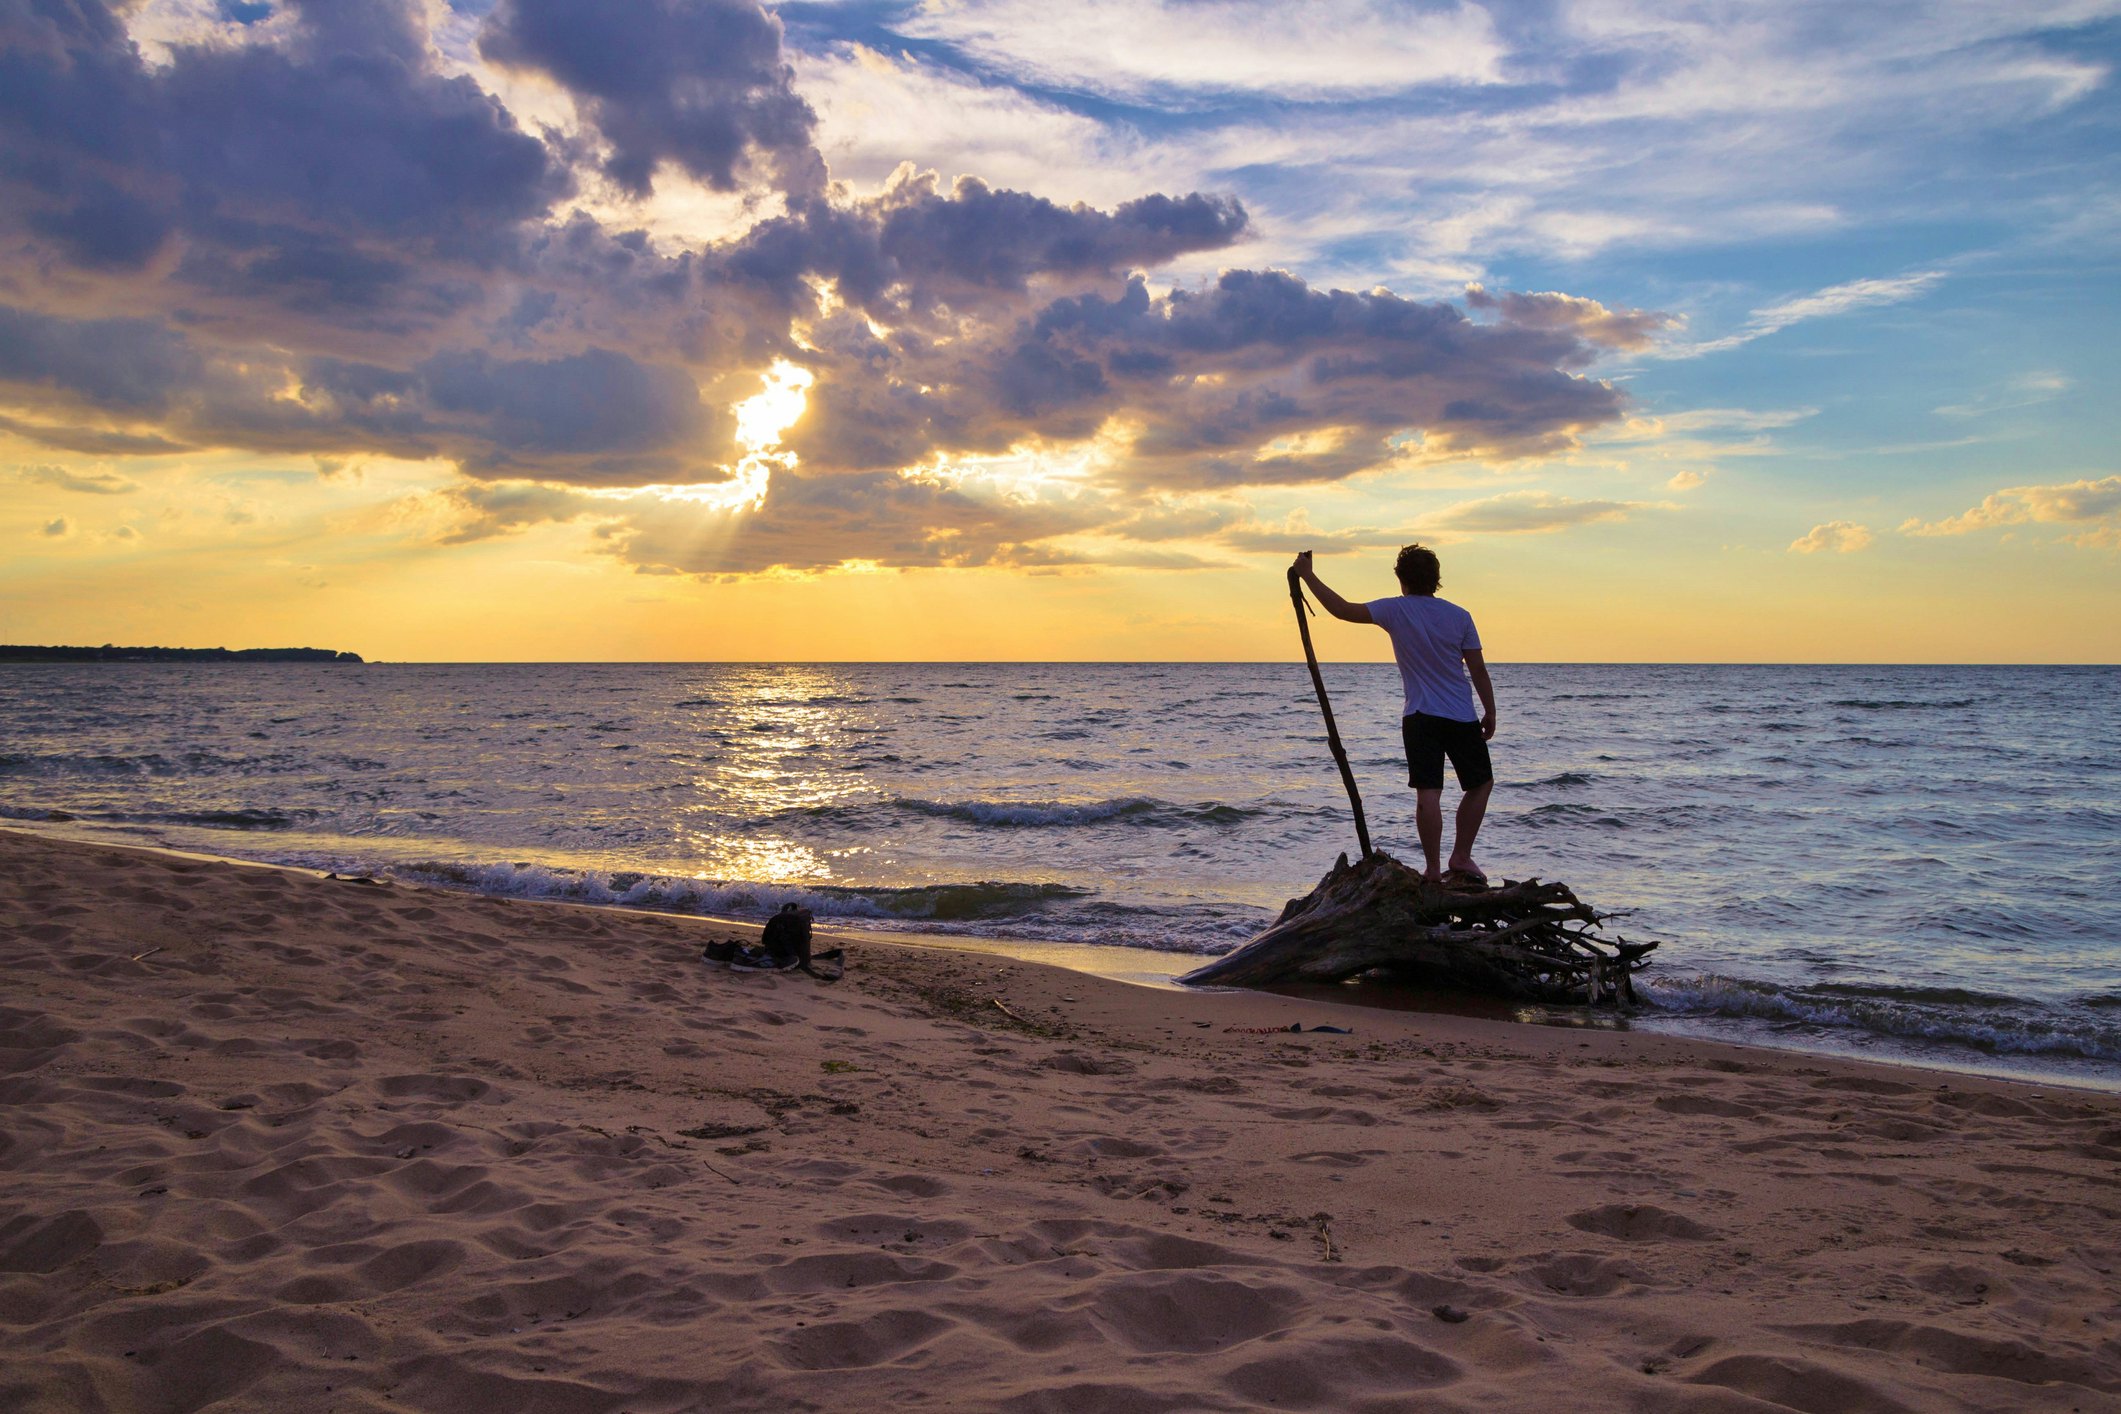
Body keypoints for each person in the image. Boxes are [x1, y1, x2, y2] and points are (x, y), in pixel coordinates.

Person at [1291, 545, 1496, 886]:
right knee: (1479, 785)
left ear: (1402, 580)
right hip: (1461, 714)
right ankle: (1460, 854)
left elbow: (1341, 609)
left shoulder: (1396, 610)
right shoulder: (1460, 615)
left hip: (1420, 715)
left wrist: (1307, 574)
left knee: (1428, 791)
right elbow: (1478, 670)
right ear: (1437, 580)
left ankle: (1433, 868)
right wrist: (1490, 710)